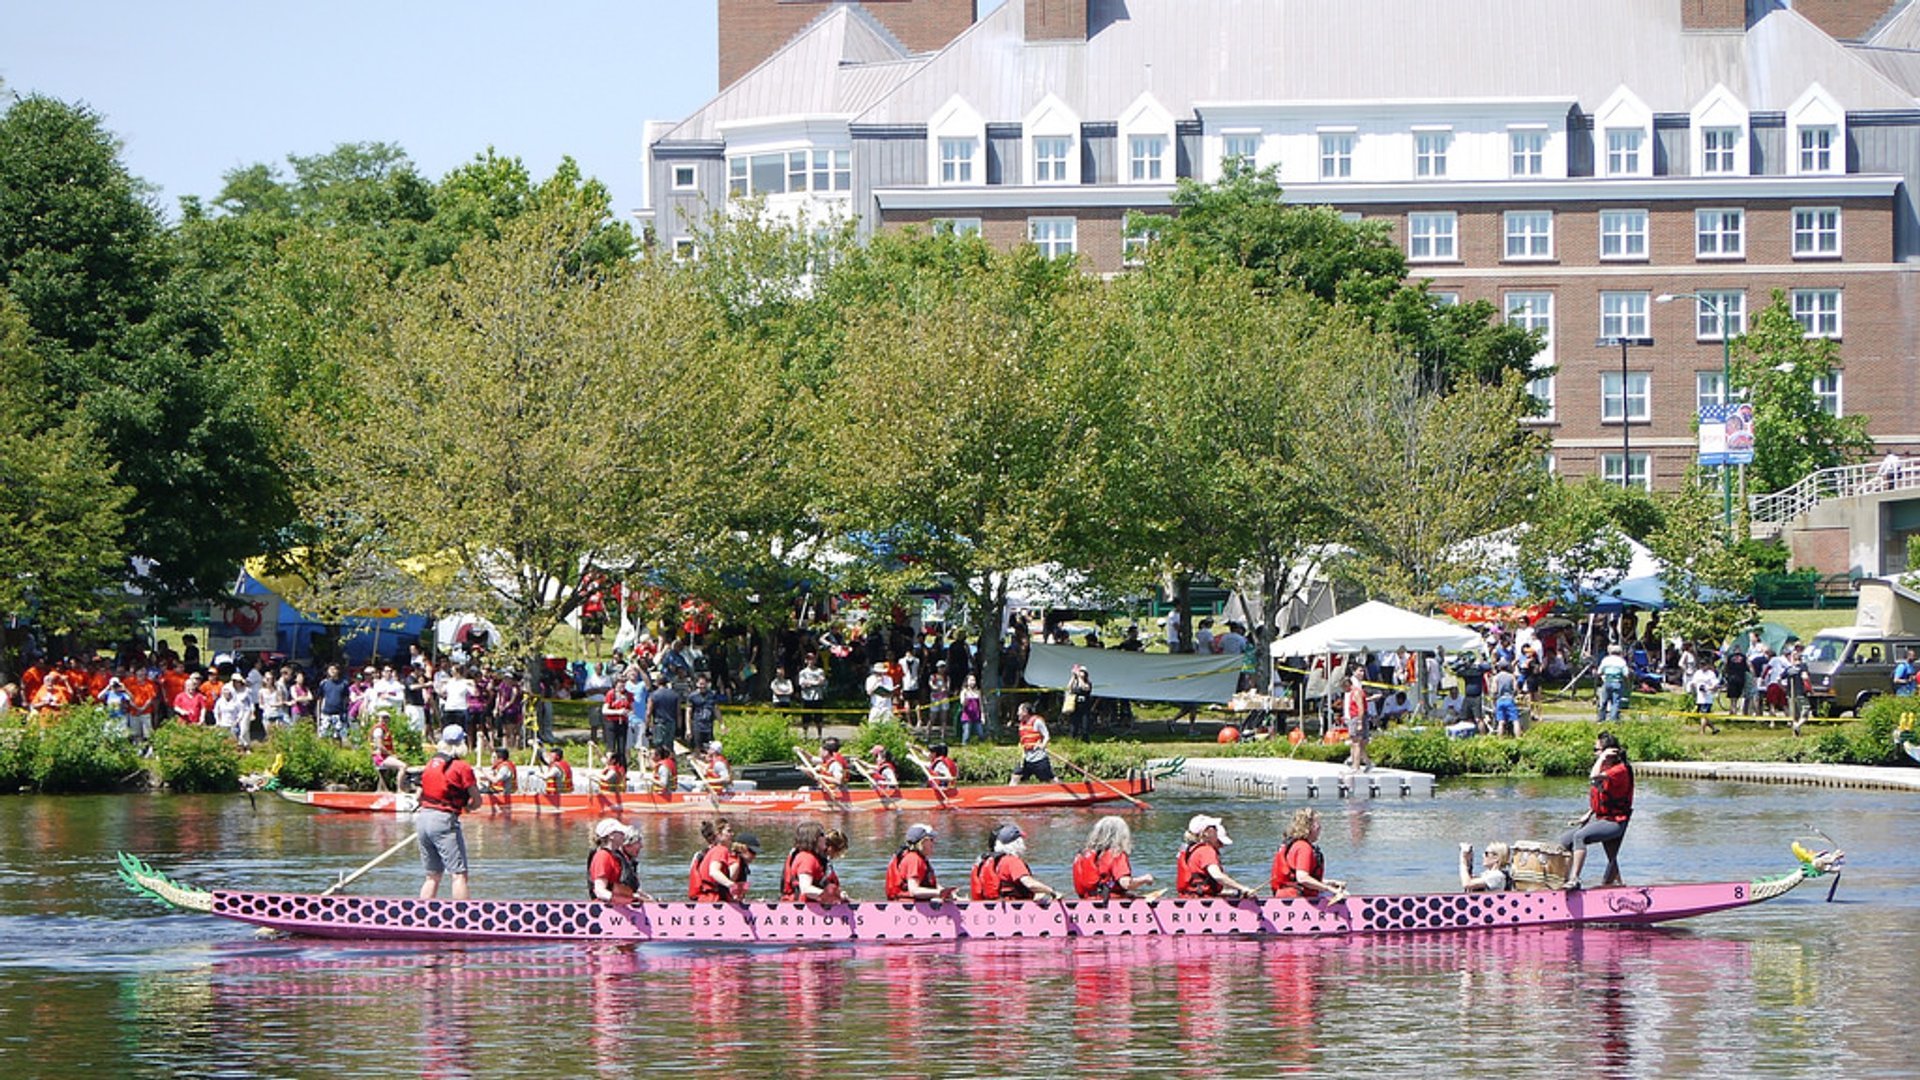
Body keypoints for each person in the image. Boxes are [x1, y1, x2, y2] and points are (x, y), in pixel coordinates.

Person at [1558, 732, 1634, 889]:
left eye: (1596, 749)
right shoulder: (1607, 768)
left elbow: (1593, 778)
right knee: (1566, 840)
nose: (1594, 753)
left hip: (1616, 822)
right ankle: (1563, 879)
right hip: (1603, 818)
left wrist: (1602, 757)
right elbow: (1603, 793)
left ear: (1608, 752)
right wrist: (1590, 812)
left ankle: (1574, 880)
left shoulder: (1619, 770)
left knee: (1580, 836)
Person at [416, 725, 476, 900]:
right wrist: (469, 807)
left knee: (432, 876)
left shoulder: (431, 764)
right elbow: (476, 800)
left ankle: (421, 916)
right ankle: (463, 918)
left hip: (423, 818)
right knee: (459, 875)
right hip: (443, 820)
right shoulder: (462, 767)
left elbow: (419, 797)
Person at [970, 824, 1061, 902]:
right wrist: (1052, 891)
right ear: (1017, 843)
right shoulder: (1012, 861)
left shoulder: (985, 861)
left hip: (989, 906)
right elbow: (1029, 883)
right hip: (1012, 908)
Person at [1175, 814, 1258, 899]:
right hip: (1203, 902)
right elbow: (1217, 875)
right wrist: (1243, 888)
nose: (1216, 831)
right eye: (1214, 828)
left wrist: (1235, 892)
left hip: (1189, 899)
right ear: (1207, 832)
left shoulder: (1191, 850)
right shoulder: (1206, 851)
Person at [1071, 816, 1155, 899]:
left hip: (1087, 902)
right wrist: (1145, 879)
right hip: (1109, 905)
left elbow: (1103, 885)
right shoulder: (1116, 854)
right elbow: (1126, 883)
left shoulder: (1084, 854)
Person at [1271, 808, 1344, 899]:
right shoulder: (1304, 848)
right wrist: (1328, 888)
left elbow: (1296, 879)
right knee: (1345, 896)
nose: (1320, 828)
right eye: (1317, 824)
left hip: (1285, 896)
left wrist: (1329, 883)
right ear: (1308, 827)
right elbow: (1302, 878)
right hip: (1297, 898)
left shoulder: (1296, 845)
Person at [885, 823, 950, 901]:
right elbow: (914, 890)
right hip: (907, 907)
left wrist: (949, 894)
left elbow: (932, 885)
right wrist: (939, 893)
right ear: (922, 842)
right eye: (931, 840)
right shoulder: (914, 859)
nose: (934, 843)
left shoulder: (919, 858)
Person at [689, 818, 747, 901]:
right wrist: (732, 885)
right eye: (729, 831)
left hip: (704, 899)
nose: (732, 834)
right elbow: (714, 872)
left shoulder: (709, 851)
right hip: (714, 901)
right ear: (718, 834)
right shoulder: (721, 850)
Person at [780, 822, 839, 903]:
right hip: (800, 909)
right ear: (813, 838)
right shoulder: (807, 858)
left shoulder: (810, 857)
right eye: (822, 834)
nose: (825, 837)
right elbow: (806, 888)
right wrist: (832, 896)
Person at [589, 818, 638, 903]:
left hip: (617, 906)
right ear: (611, 835)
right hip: (604, 909)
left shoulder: (615, 856)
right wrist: (629, 900)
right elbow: (600, 891)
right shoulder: (602, 856)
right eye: (621, 832)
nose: (624, 835)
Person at [1010, 702, 1054, 784]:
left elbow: (1046, 736)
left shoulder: (1037, 722)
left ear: (1025, 712)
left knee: (1049, 780)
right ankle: (1010, 793)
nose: (1017, 713)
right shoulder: (1022, 724)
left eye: (1019, 711)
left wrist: (1043, 745)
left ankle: (1061, 791)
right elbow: (1024, 740)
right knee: (1015, 776)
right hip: (1026, 758)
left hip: (1039, 758)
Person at [1341, 672, 1372, 772]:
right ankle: (1367, 762)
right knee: (1357, 743)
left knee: (1356, 743)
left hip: (1357, 718)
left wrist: (1359, 722)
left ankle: (1356, 766)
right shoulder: (1351, 693)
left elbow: (1361, 708)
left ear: (1347, 685)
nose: (1344, 690)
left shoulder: (1356, 692)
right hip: (1353, 717)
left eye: (1343, 688)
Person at [369, 711, 408, 792]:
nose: (385, 720)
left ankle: (380, 791)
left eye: (386, 718)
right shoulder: (379, 730)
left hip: (383, 756)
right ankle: (400, 790)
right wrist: (391, 755)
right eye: (383, 717)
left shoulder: (384, 729)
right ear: (378, 718)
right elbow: (379, 745)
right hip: (380, 757)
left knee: (383, 776)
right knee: (403, 766)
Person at [1596, 645, 1630, 724]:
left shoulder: (1606, 660)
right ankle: (1613, 719)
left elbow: (1599, 672)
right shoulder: (1621, 661)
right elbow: (1626, 674)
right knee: (1615, 702)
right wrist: (1627, 683)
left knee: (1603, 701)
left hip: (1607, 682)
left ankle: (1601, 719)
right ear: (1620, 652)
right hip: (1617, 682)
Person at [796, 653, 827, 739]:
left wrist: (810, 682)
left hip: (818, 697)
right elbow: (802, 683)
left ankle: (819, 735)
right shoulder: (802, 672)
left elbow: (822, 681)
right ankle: (805, 735)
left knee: (818, 717)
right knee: (806, 717)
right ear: (806, 660)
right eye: (808, 659)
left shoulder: (820, 671)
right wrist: (815, 682)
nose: (811, 661)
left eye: (812, 658)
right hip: (806, 697)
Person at [602, 679, 633, 762]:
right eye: (620, 685)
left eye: (623, 685)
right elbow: (604, 710)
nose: (622, 687)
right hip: (611, 722)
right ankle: (609, 765)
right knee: (611, 747)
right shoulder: (611, 694)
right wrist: (617, 712)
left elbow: (632, 709)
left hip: (622, 722)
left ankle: (622, 767)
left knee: (622, 748)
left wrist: (628, 712)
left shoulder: (628, 694)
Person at [687, 673, 721, 748]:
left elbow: (716, 709)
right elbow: (688, 713)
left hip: (709, 727)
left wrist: (722, 724)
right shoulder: (692, 696)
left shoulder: (712, 695)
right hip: (697, 726)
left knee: (709, 748)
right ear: (697, 684)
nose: (702, 686)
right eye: (700, 684)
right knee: (697, 749)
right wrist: (688, 729)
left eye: (704, 684)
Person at [1687, 660, 1721, 735]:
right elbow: (1693, 683)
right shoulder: (1698, 673)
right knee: (1702, 715)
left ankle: (1702, 732)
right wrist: (1692, 691)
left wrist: (1710, 689)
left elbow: (1716, 685)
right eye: (1701, 665)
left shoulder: (1711, 674)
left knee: (1703, 715)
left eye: (1704, 665)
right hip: (1699, 698)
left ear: (1708, 665)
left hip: (1707, 698)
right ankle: (1714, 729)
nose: (1703, 666)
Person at [958, 674, 984, 745]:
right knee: (966, 733)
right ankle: (964, 745)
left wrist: (982, 715)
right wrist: (965, 698)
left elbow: (980, 704)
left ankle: (981, 745)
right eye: (971, 680)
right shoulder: (964, 691)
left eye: (974, 680)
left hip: (976, 715)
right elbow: (962, 703)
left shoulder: (978, 692)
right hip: (967, 716)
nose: (973, 682)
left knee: (980, 733)